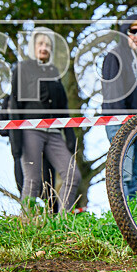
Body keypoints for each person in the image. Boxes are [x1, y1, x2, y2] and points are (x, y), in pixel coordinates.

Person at [9, 27, 81, 212]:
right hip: (30, 130)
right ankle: (25, 225)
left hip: (55, 133)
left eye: (48, 45)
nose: (44, 47)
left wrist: (69, 134)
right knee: (32, 180)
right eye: (40, 44)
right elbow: (14, 103)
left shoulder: (54, 72)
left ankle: (63, 223)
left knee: (73, 176)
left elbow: (63, 107)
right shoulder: (22, 68)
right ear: (33, 47)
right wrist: (15, 139)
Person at [102, 14, 137, 198]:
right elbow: (113, 94)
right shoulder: (114, 56)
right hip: (121, 123)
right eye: (133, 31)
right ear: (124, 32)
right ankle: (121, 219)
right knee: (125, 176)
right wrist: (123, 123)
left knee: (136, 177)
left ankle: (134, 217)